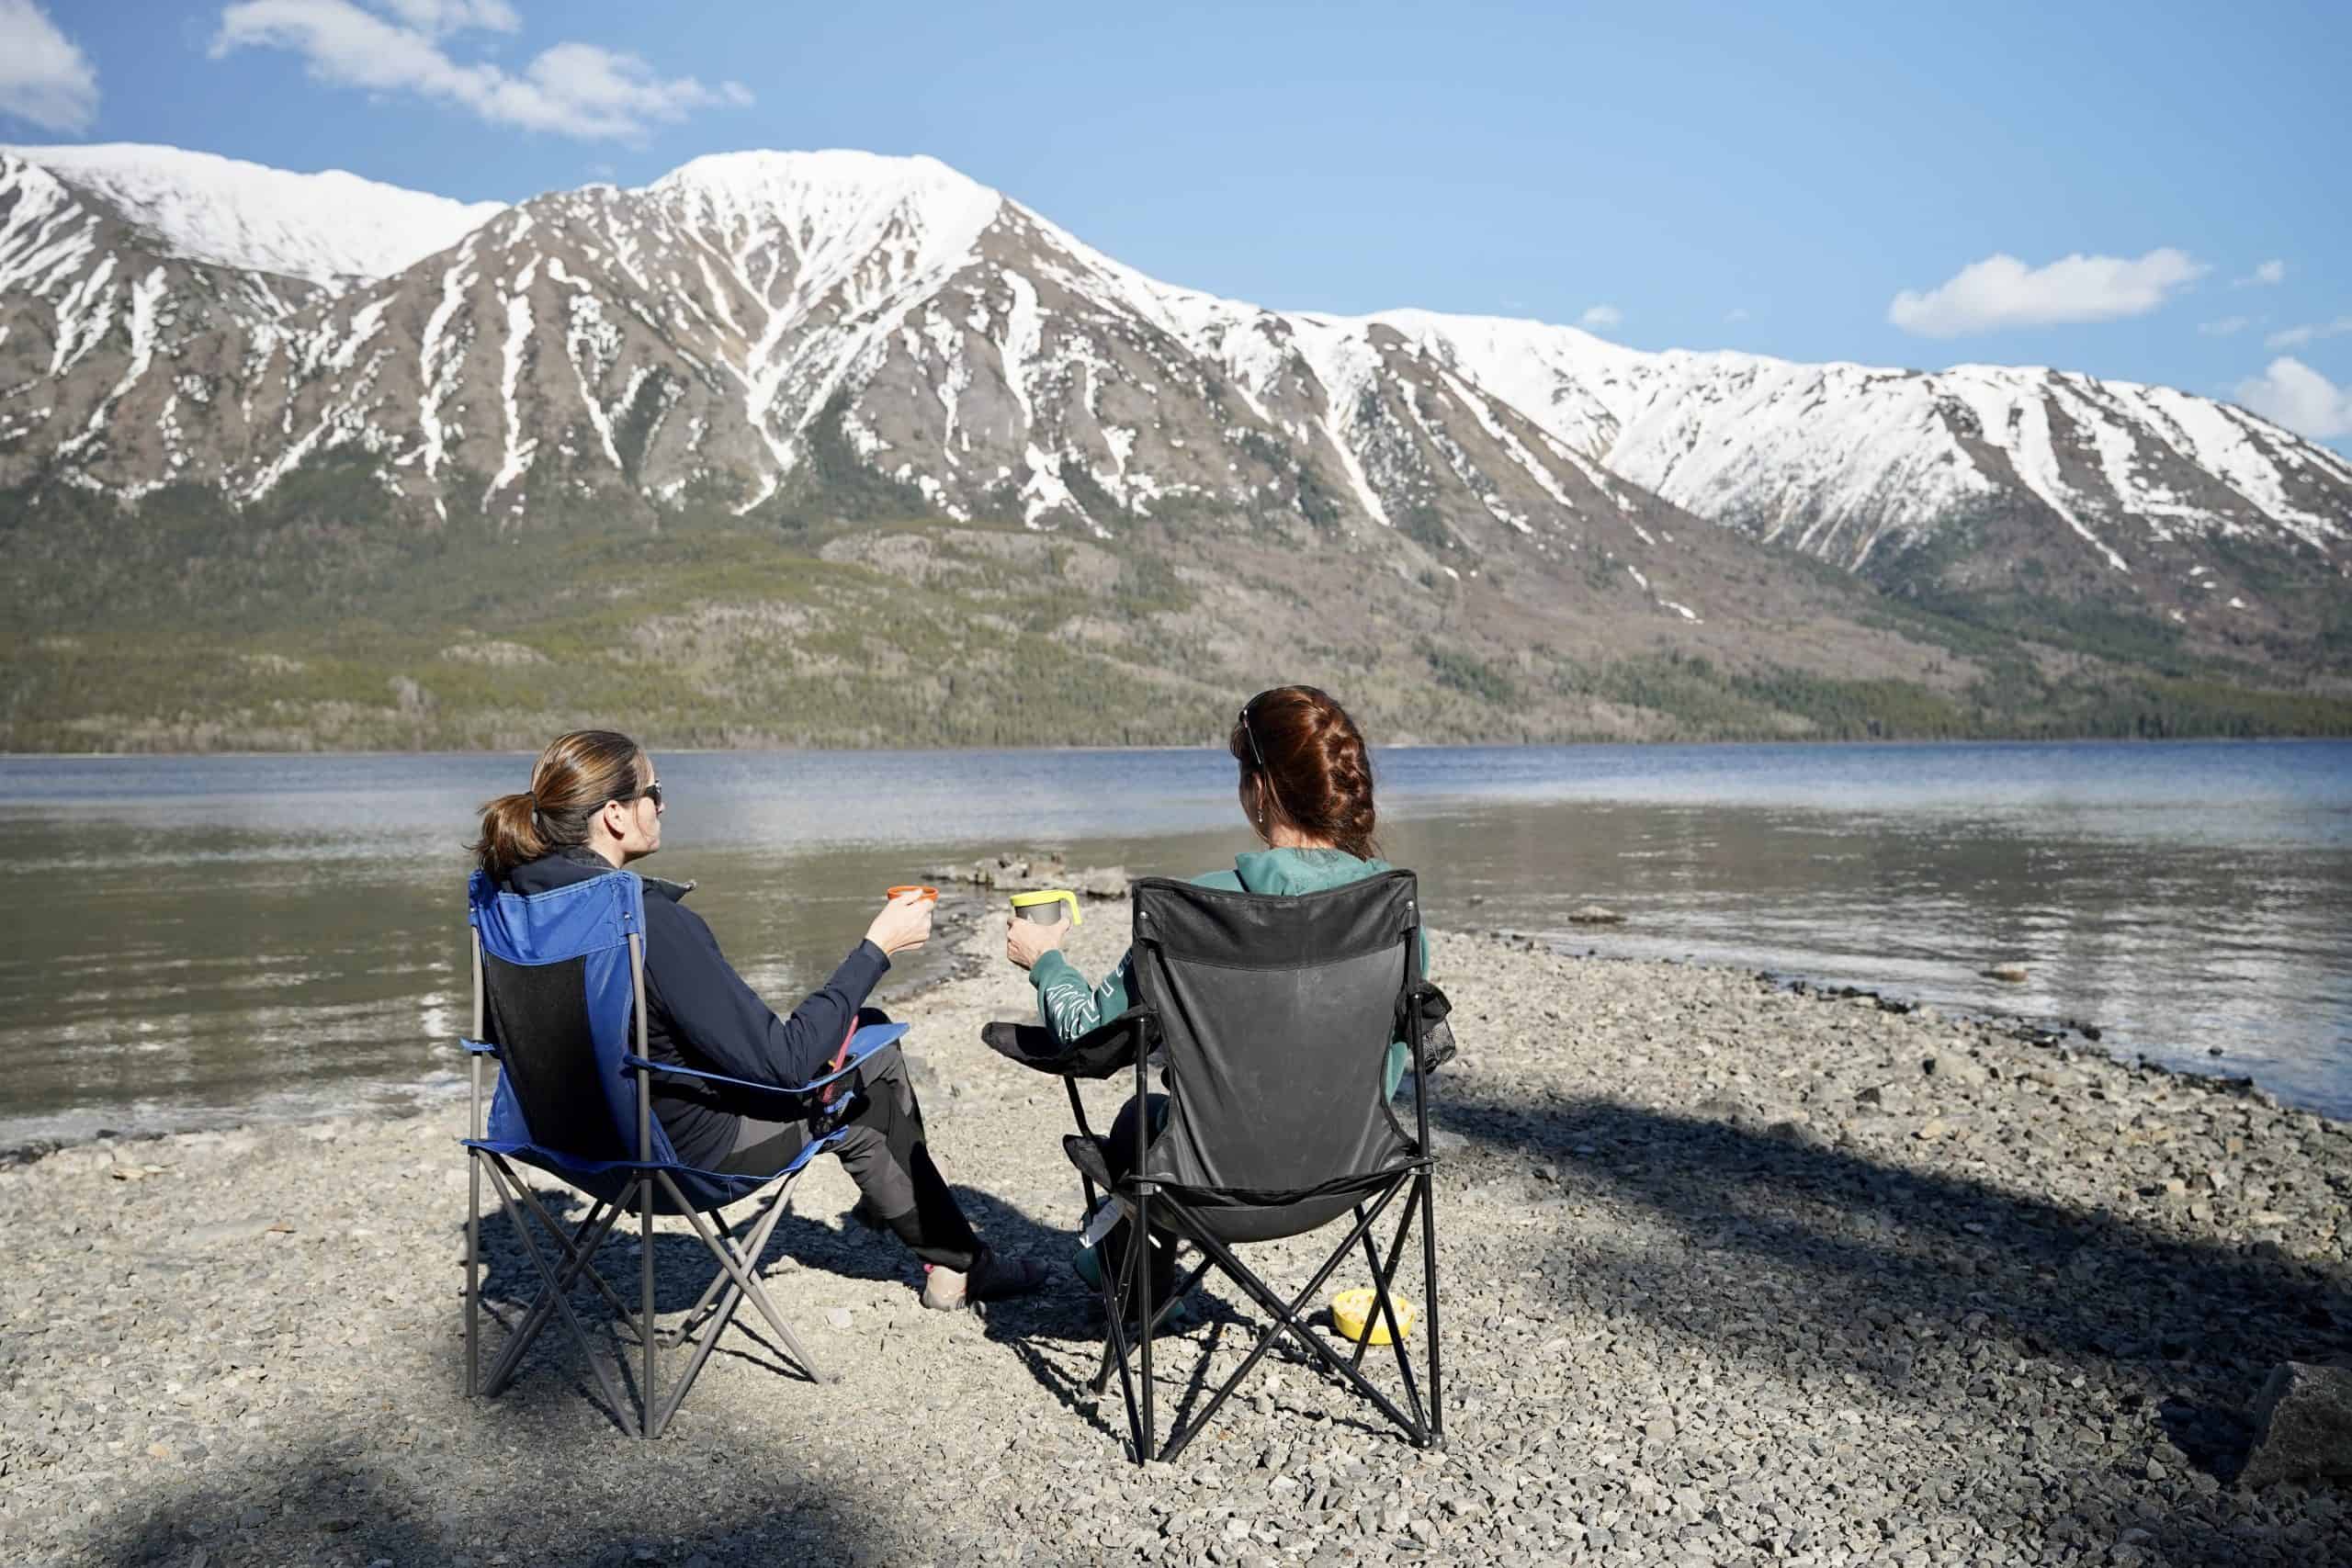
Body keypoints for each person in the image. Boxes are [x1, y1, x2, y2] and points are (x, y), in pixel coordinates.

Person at [473, 729, 1044, 1310]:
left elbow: (506, 1038)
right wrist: (877, 949)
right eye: (655, 791)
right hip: (676, 1161)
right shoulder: (643, 922)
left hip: (563, 1148)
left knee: (861, 1029)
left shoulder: (509, 907)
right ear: (615, 815)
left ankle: (902, 1211)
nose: (663, 805)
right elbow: (786, 1064)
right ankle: (958, 1260)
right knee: (868, 1080)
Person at [1001, 685, 1429, 1292]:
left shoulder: (1196, 912)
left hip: (1207, 1188)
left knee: (1139, 1122)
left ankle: (1135, 1288)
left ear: (1260, 789)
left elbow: (1085, 1034)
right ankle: (1128, 1275)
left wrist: (1046, 961)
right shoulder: (1393, 910)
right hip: (1352, 1173)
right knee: (1167, 1124)